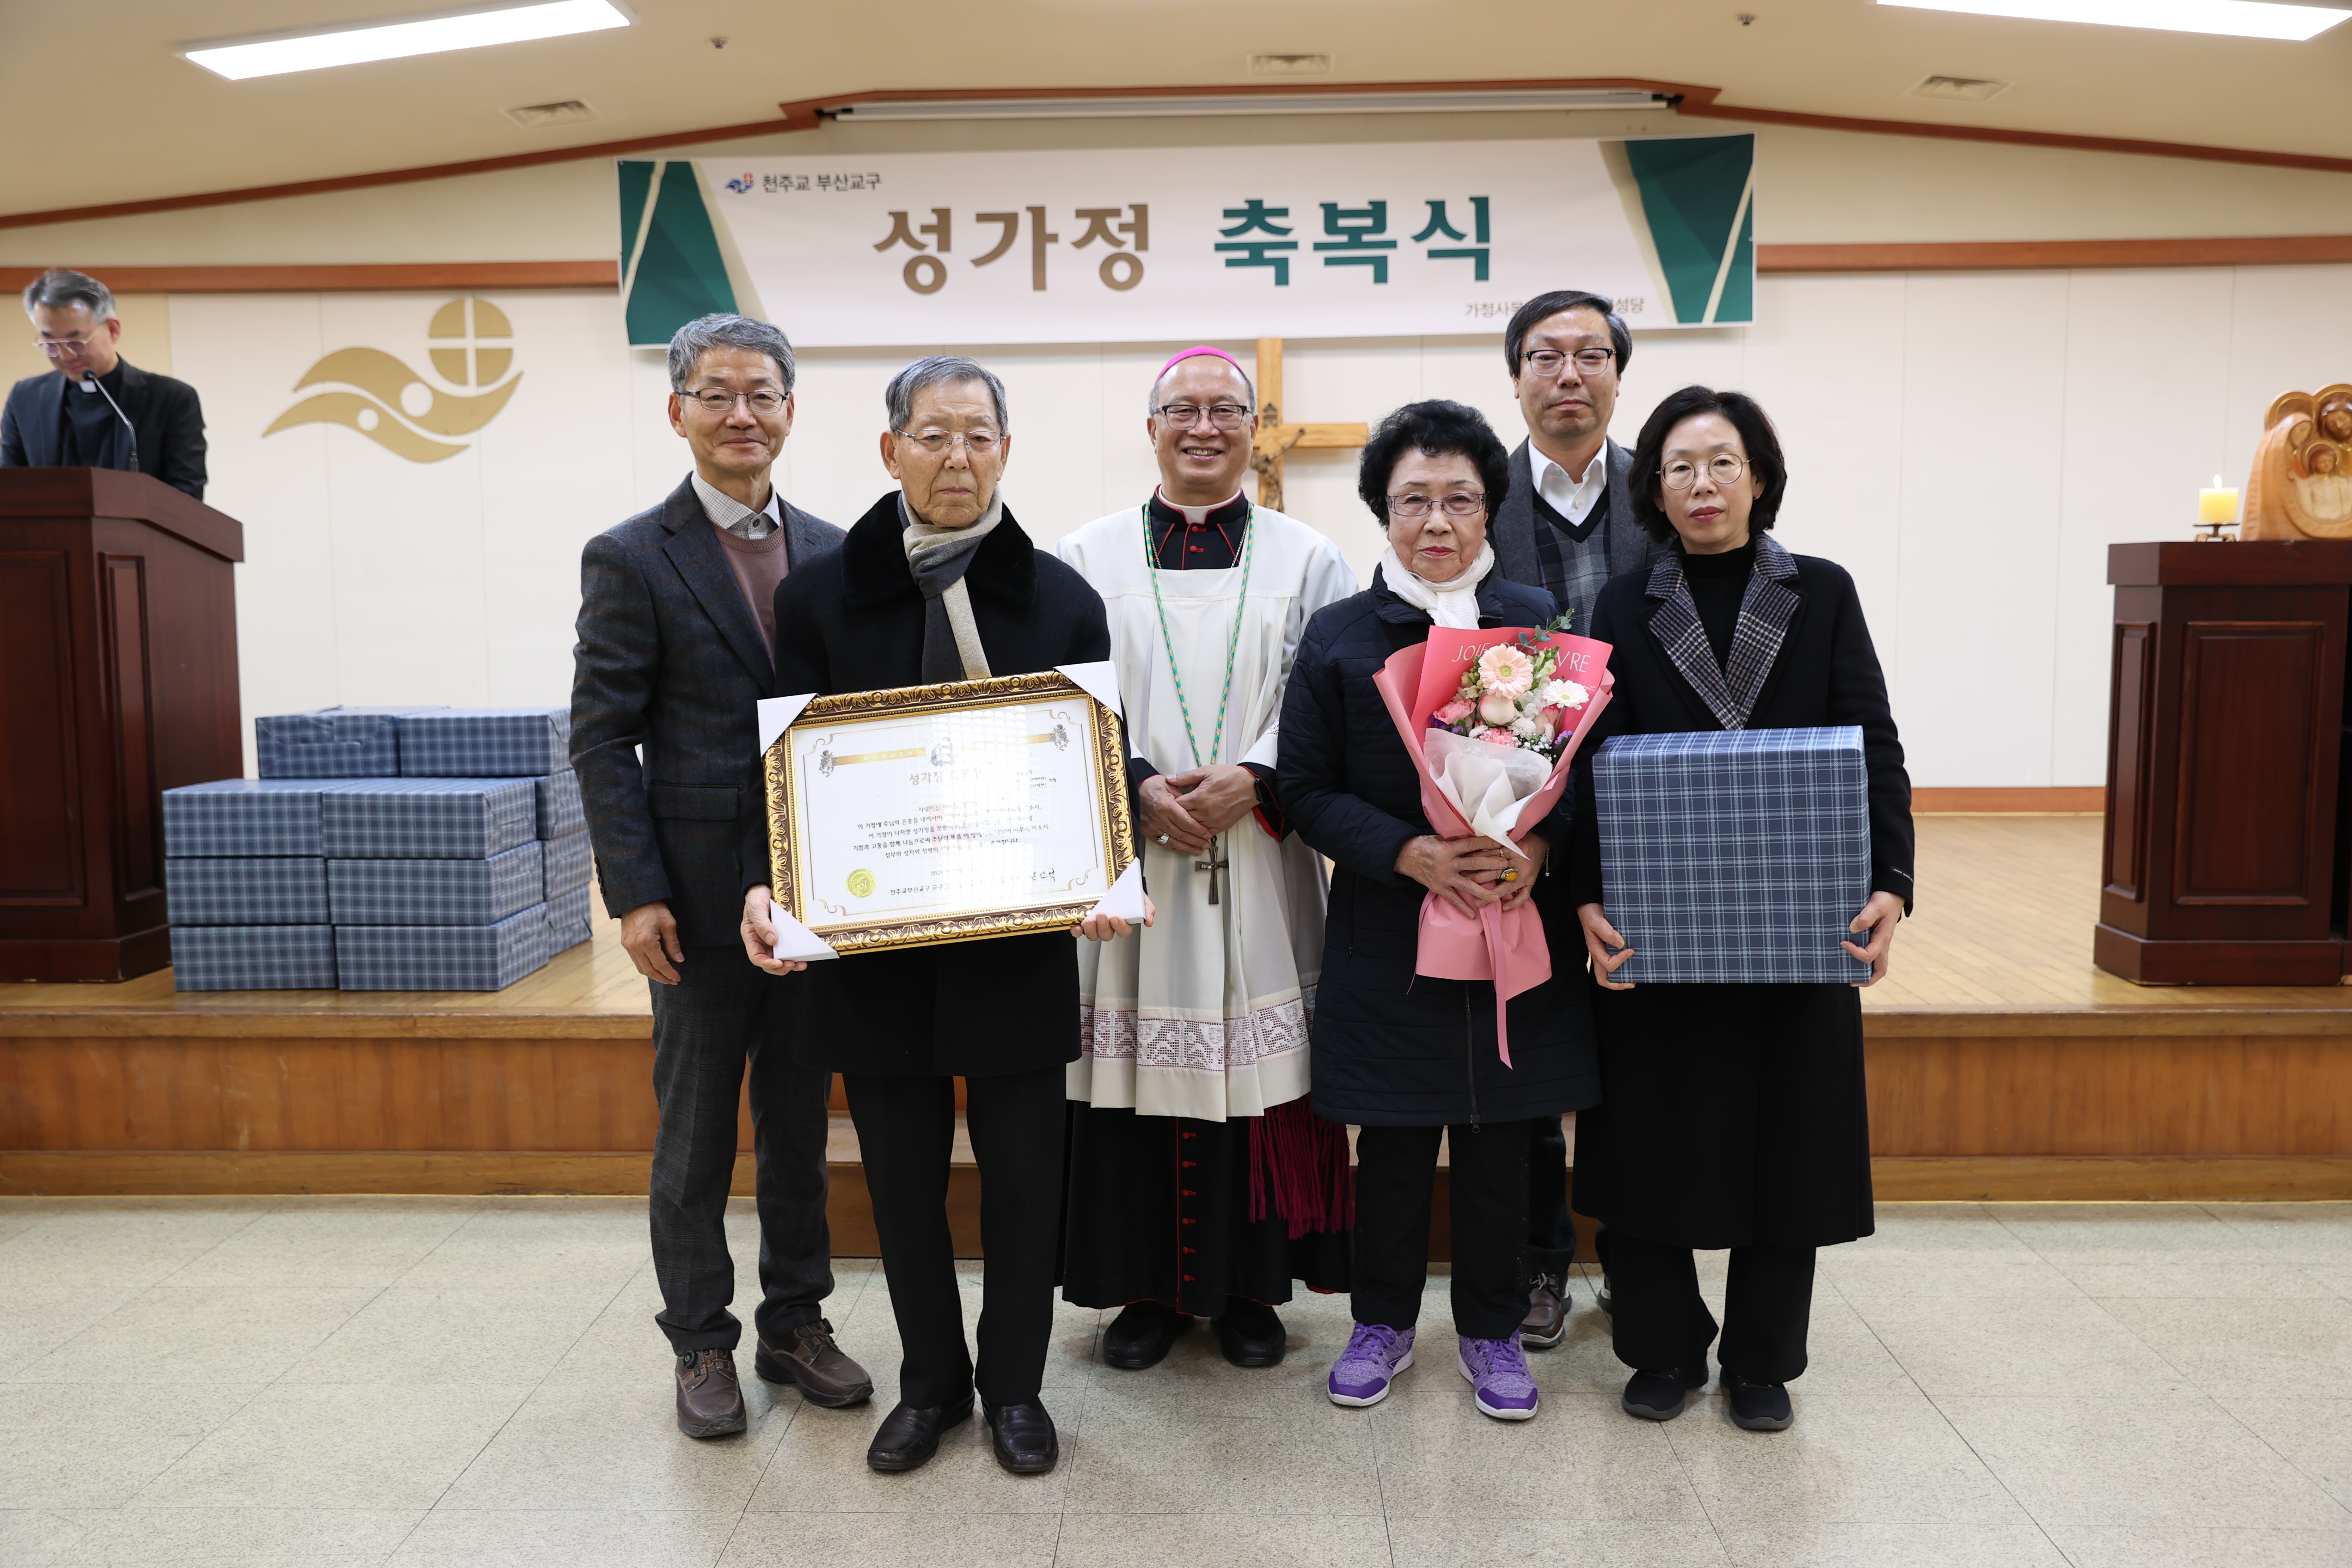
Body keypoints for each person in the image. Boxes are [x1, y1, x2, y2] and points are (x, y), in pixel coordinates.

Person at [740, 355, 1133, 1478]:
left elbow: (1097, 761)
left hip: (1014, 946)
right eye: (932, 435)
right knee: (903, 1185)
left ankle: (1014, 1388)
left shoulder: (1062, 596)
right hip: (872, 945)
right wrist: (771, 880)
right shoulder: (816, 596)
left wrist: (1109, 865)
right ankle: (929, 1385)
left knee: (1022, 1182)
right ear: (890, 451)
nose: (955, 456)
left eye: (977, 435)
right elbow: (785, 766)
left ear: (1005, 452)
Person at [1567, 385, 1912, 1433]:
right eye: (1677, 467)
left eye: (1720, 462)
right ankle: (1661, 1350)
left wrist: (1890, 883)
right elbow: (1585, 762)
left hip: (1797, 908)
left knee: (1787, 1142)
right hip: (1659, 909)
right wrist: (1583, 896)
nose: (1700, 484)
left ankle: (1762, 1361)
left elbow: (1872, 740)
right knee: (1648, 1138)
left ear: (1758, 475)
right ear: (1652, 491)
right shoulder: (1623, 603)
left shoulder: (1820, 590)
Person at [571, 312, 870, 1439]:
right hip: (689, 905)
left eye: (762, 394)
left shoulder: (843, 551)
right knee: (695, 1131)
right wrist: (634, 889)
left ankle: (798, 1322)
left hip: (811, 889)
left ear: (790, 410)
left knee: (799, 1122)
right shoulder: (633, 555)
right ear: (679, 411)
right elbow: (601, 735)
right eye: (717, 394)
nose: (741, 414)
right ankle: (701, 1341)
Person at [1278, 399, 1599, 1423]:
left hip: (1514, 922)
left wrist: (1538, 846)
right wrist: (1409, 852)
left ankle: (1494, 1332)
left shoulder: (1539, 625)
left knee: (1506, 1143)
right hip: (1392, 928)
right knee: (1398, 1144)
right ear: (1381, 509)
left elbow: (1585, 775)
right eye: (1412, 499)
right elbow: (1303, 786)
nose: (1435, 521)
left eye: (1458, 499)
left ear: (1488, 509)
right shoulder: (1338, 635)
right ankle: (1380, 1323)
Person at [1054, 346, 1359, 1371]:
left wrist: (1256, 777)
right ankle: (1142, 1291)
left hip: (1260, 855)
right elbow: (1063, 702)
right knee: (1133, 1071)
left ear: (1250, 427)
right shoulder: (1083, 558)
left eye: (1223, 409)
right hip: (1131, 858)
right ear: (1148, 429)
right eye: (1179, 410)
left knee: (1258, 1076)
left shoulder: (1309, 559)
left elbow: (1335, 699)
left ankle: (1248, 1290)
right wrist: (1138, 782)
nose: (1201, 426)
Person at [1487, 289, 1667, 1350]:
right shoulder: (1481, 497)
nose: (1567, 374)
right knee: (1530, 1056)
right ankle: (1538, 1263)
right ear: (1514, 377)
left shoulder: (1671, 489)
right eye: (1544, 356)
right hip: (1517, 819)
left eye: (1589, 355)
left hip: (1648, 810)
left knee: (1642, 1052)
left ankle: (1641, 1260)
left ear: (1615, 372)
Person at [3, 269, 208, 499]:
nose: (66, 356)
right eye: (50, 343)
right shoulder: (26, 398)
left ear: (112, 330)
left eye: (76, 342)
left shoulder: (171, 399)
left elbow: (186, 494)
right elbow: (10, 490)